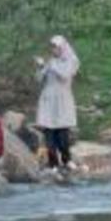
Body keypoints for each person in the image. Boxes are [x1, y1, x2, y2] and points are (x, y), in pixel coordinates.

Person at [35, 35, 79, 172]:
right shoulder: (51, 61)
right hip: (48, 99)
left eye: (55, 47)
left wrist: (51, 65)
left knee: (62, 132)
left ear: (62, 47)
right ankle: (53, 163)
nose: (52, 50)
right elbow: (39, 79)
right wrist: (41, 67)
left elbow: (64, 76)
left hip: (62, 99)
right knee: (49, 132)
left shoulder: (71, 60)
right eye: (52, 47)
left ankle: (66, 160)